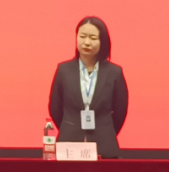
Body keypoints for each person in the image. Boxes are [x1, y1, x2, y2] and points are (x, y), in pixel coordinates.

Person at [48, 16, 129, 159]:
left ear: (102, 41)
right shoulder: (64, 70)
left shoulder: (114, 72)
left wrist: (106, 130)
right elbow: (55, 107)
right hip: (69, 144)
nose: (86, 42)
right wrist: (71, 126)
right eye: (82, 36)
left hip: (104, 144)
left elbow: (120, 111)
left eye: (93, 38)